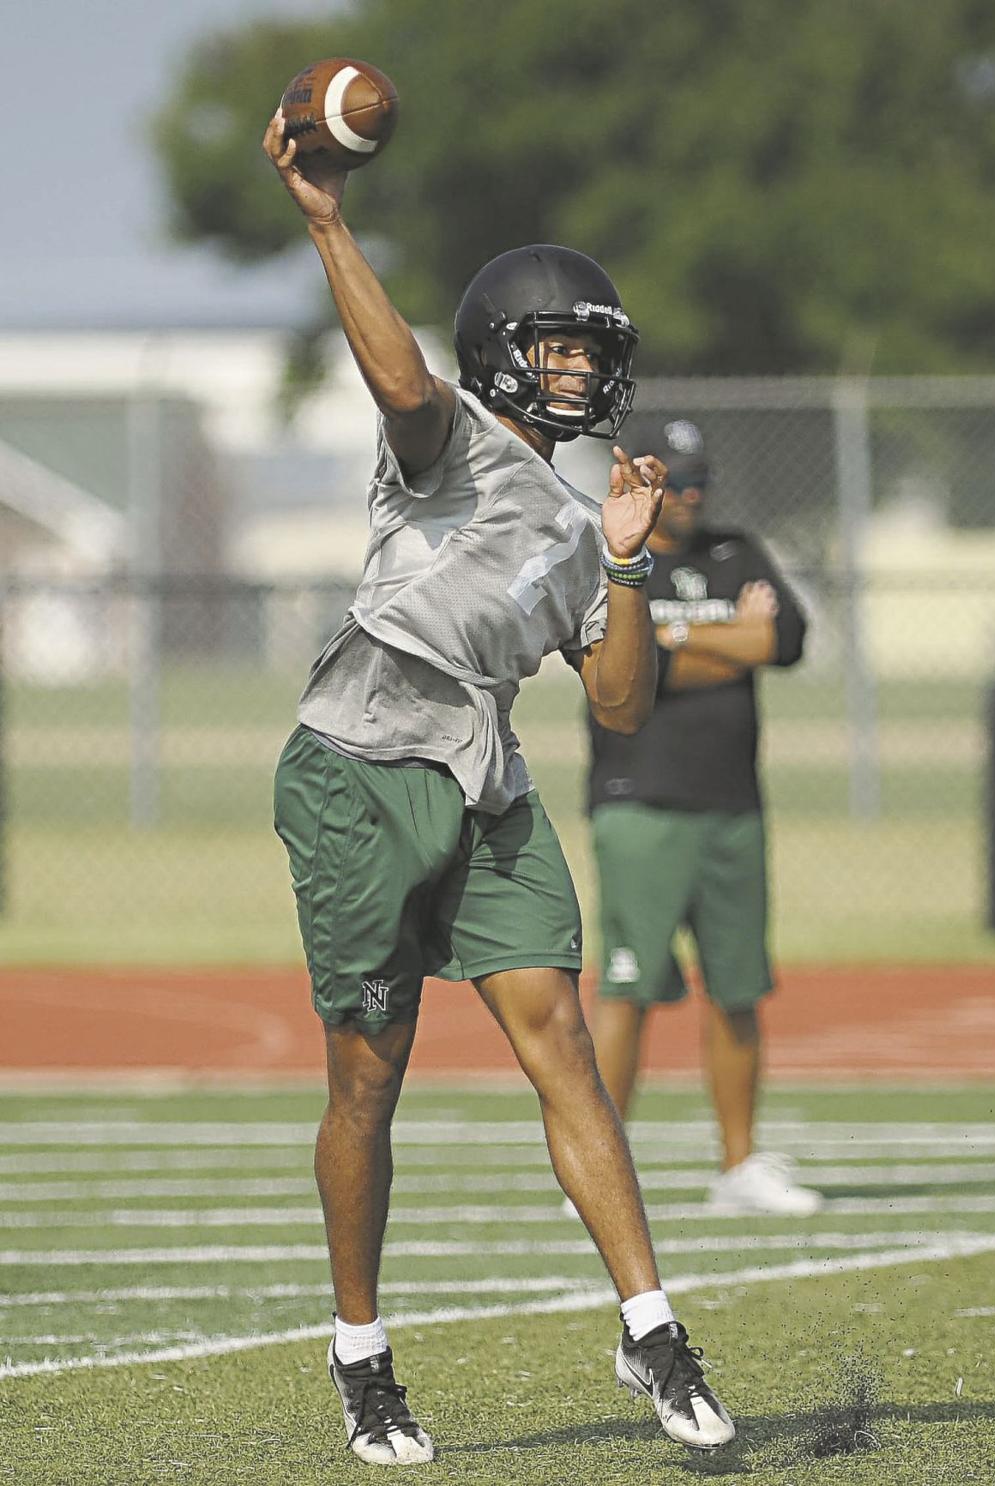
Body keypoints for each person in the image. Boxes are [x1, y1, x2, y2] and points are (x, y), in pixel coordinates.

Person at [262, 115, 735, 1464]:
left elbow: (620, 700)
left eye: (596, 351)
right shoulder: (446, 436)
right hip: (357, 767)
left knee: (564, 1039)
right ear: (505, 355)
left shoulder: (593, 526)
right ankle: (361, 1353)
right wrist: (325, 217)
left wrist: (633, 567)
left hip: (483, 769)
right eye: (562, 346)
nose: (584, 370)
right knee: (369, 1080)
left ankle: (652, 1328)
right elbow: (402, 382)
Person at [587, 420, 823, 1217]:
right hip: (641, 802)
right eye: (675, 483)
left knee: (737, 986)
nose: (690, 497)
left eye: (698, 483)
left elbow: (786, 638)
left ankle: (739, 1165)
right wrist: (731, 635)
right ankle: (598, 1160)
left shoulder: (737, 549)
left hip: (732, 806)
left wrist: (682, 633)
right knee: (629, 986)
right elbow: (634, 663)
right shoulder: (619, 558)